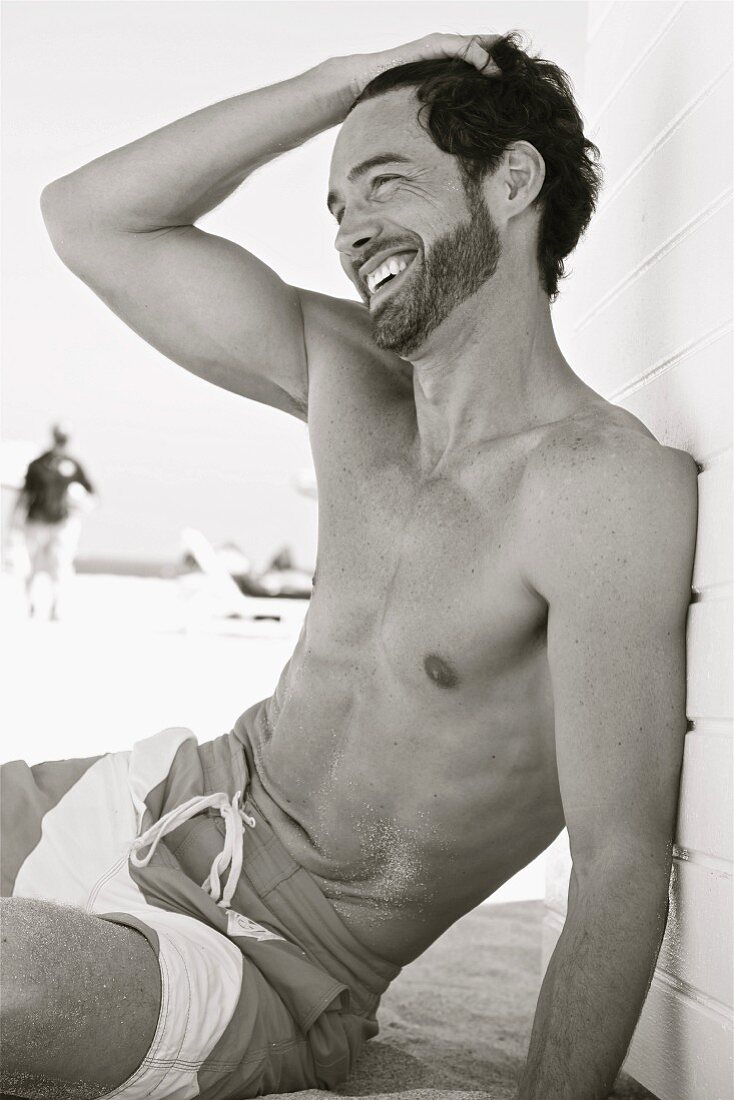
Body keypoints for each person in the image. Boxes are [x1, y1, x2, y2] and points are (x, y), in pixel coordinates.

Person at [1, 31, 698, 1100]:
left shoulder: (595, 489)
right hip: (148, 792)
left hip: (262, 960)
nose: (349, 230)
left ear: (512, 181)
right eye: (335, 206)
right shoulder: (347, 375)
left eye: (383, 185)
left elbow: (614, 867)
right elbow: (87, 216)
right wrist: (341, 85)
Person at [11, 421, 95, 619]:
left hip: (61, 524)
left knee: (60, 565)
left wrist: (81, 504)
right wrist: (14, 524)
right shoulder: (37, 465)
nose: (62, 442)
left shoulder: (74, 466)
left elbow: (91, 495)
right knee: (31, 566)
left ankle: (56, 608)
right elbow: (24, 496)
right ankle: (30, 605)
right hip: (36, 522)